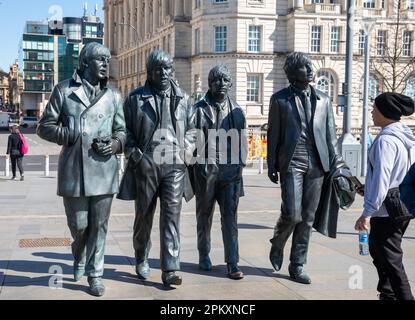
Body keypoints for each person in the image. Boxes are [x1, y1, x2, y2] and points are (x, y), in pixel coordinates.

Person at [37, 43, 126, 297]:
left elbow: (122, 131)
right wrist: (67, 133)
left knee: (100, 225)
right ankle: (79, 255)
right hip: (75, 171)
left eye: (107, 60)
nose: (106, 65)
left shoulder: (113, 96)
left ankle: (95, 274)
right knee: (79, 225)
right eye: (100, 60)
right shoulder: (64, 90)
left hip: (104, 169)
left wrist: (115, 143)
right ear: (85, 63)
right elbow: (44, 126)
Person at [117, 50, 195, 287]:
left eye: (167, 68)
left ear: (172, 70)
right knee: (144, 216)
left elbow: (193, 130)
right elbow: (124, 131)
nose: (163, 73)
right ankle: (141, 256)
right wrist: (134, 154)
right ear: (149, 72)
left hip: (175, 164)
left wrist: (186, 151)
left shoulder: (184, 98)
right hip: (147, 162)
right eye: (157, 69)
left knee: (172, 217)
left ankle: (170, 269)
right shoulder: (135, 98)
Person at [267, 52, 342, 284]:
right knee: (292, 212)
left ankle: (297, 264)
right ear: (291, 72)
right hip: (292, 160)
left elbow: (331, 137)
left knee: (307, 218)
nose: (310, 70)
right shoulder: (279, 99)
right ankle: (278, 242)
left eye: (310, 67)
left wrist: (337, 165)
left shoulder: (324, 100)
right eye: (304, 67)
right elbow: (273, 135)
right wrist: (272, 164)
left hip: (318, 163)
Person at [354, 92, 415, 300]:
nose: (372, 112)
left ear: (385, 112)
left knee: (390, 259)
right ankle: (387, 295)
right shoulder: (406, 138)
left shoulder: (386, 141)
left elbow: (382, 179)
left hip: (385, 210)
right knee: (380, 254)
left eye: (375, 109)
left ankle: (402, 297)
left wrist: (367, 213)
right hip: (402, 204)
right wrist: (366, 188)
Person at [190, 65, 247, 279]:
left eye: (225, 80)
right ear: (210, 83)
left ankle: (232, 262)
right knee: (204, 217)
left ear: (230, 84)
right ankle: (203, 254)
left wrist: (239, 167)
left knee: (230, 219)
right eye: (217, 80)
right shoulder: (198, 109)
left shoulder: (237, 111)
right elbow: (190, 140)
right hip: (205, 172)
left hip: (230, 174)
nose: (221, 84)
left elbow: (243, 144)